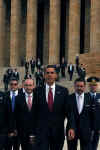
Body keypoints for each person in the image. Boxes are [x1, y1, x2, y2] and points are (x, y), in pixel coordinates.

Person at [33, 65, 75, 150]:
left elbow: (69, 112)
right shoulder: (37, 91)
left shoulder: (63, 91)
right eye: (47, 73)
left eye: (52, 73)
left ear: (56, 75)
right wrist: (32, 132)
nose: (49, 75)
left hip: (57, 132)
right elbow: (33, 113)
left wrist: (71, 127)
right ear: (44, 75)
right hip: (41, 133)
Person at [67, 78, 92, 150]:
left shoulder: (90, 98)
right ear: (74, 86)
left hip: (86, 131)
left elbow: (92, 115)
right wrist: (71, 128)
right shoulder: (68, 98)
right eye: (77, 86)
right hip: (72, 130)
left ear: (85, 87)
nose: (79, 88)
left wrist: (93, 129)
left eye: (81, 86)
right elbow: (68, 115)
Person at [14, 79, 37, 150]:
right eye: (26, 85)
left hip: (36, 131)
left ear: (33, 86)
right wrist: (14, 128)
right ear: (23, 86)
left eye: (30, 85)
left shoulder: (39, 97)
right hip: (23, 132)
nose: (28, 87)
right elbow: (15, 115)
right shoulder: (18, 98)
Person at [5, 78, 21, 150]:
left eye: (15, 84)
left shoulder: (23, 95)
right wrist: (9, 129)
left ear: (18, 85)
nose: (13, 86)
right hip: (7, 129)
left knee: (16, 147)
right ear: (9, 85)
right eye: (11, 84)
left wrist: (17, 128)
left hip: (19, 128)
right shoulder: (5, 95)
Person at [87, 76, 100, 150]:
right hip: (87, 128)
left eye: (95, 85)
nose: (93, 86)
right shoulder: (84, 96)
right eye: (91, 85)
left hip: (97, 128)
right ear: (89, 86)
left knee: (94, 146)